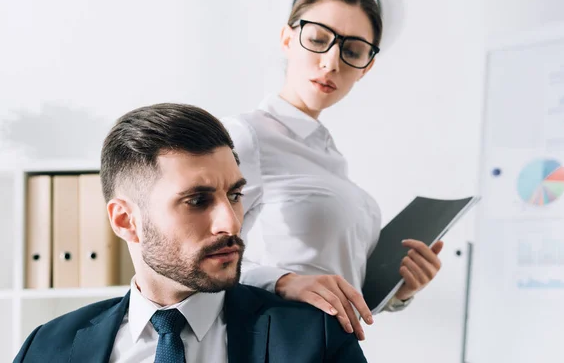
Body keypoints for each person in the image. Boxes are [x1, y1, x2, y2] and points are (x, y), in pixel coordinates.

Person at [14, 103, 367, 363]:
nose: (230, 223)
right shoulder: (44, 349)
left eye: (234, 195)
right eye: (198, 201)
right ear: (125, 221)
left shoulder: (315, 339)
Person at [222, 0, 444, 341]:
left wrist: (400, 293)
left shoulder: (331, 158)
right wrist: (283, 281)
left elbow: (341, 283)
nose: (331, 63)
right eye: (318, 39)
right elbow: (194, 257)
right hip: (272, 345)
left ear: (366, 66)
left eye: (353, 51)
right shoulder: (244, 136)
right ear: (288, 39)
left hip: (335, 348)